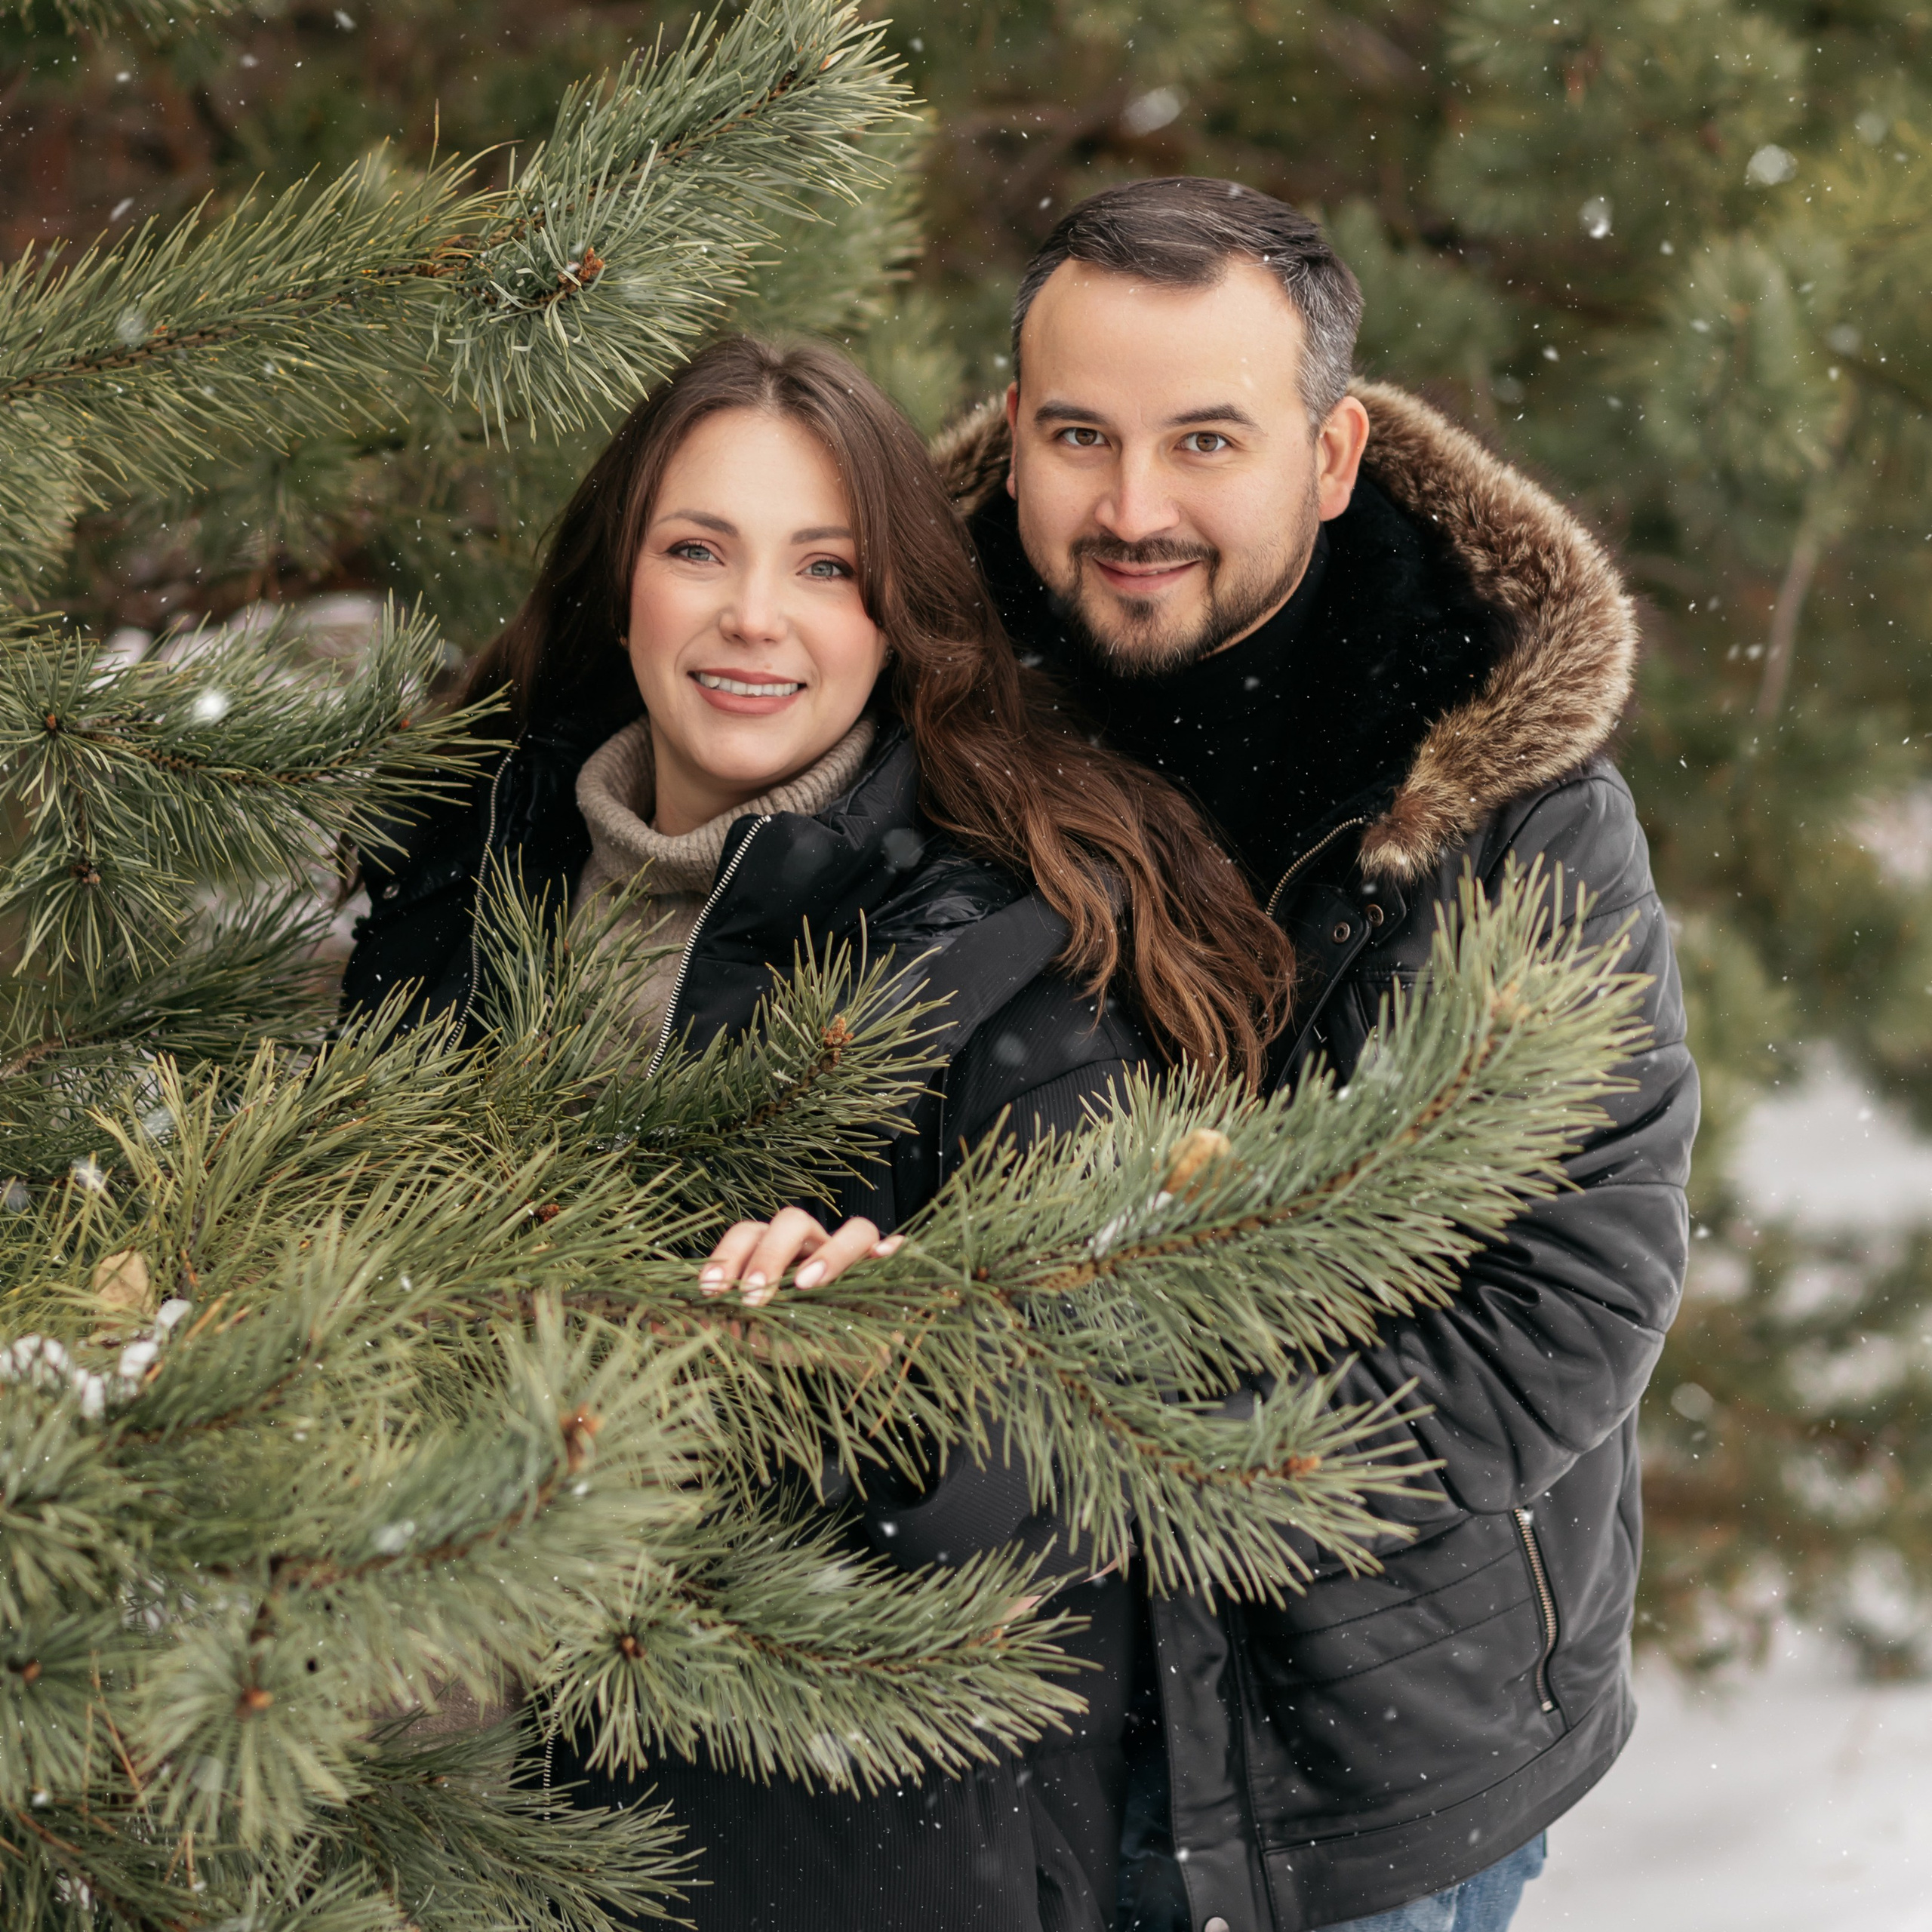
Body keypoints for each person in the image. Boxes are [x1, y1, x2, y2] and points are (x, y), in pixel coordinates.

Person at [340, 334, 1296, 1932]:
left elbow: (1094, 1434)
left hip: (811, 1869)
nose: (751, 617)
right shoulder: (456, 875)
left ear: (893, 616)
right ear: (620, 578)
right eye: (695, 548)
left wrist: (897, 1375)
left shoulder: (1007, 957)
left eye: (824, 565)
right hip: (403, 1846)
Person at [931, 178, 1699, 1932]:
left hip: (1375, 1770)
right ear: (1013, 437)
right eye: (1079, 436)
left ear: (1331, 453)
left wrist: (1167, 1474)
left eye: (1206, 438)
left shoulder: (1513, 808)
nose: (1133, 507)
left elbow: (1569, 1294)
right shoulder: (894, 724)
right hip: (982, 1752)